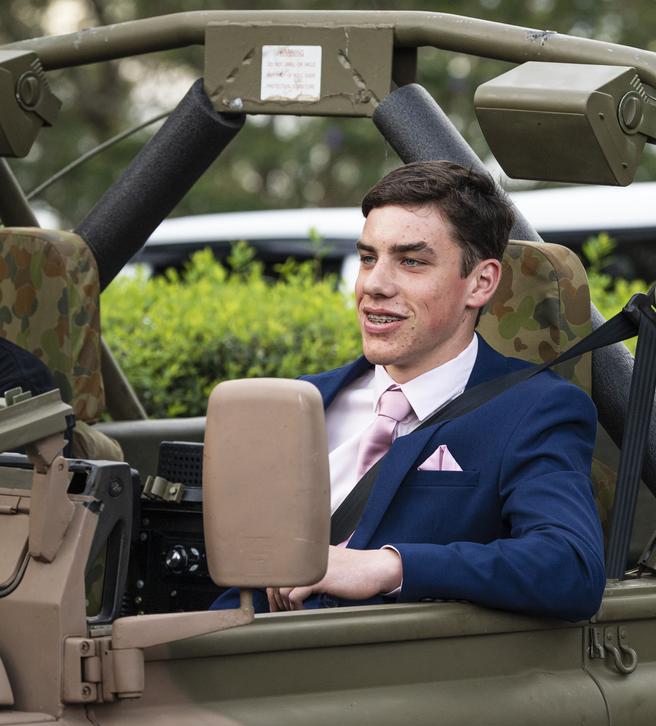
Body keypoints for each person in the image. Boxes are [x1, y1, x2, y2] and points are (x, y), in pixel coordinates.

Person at [219, 161, 605, 622]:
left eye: (411, 261)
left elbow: (570, 566)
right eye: (368, 258)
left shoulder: (535, 409)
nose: (374, 285)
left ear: (481, 282)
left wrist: (389, 566)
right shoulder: (301, 403)